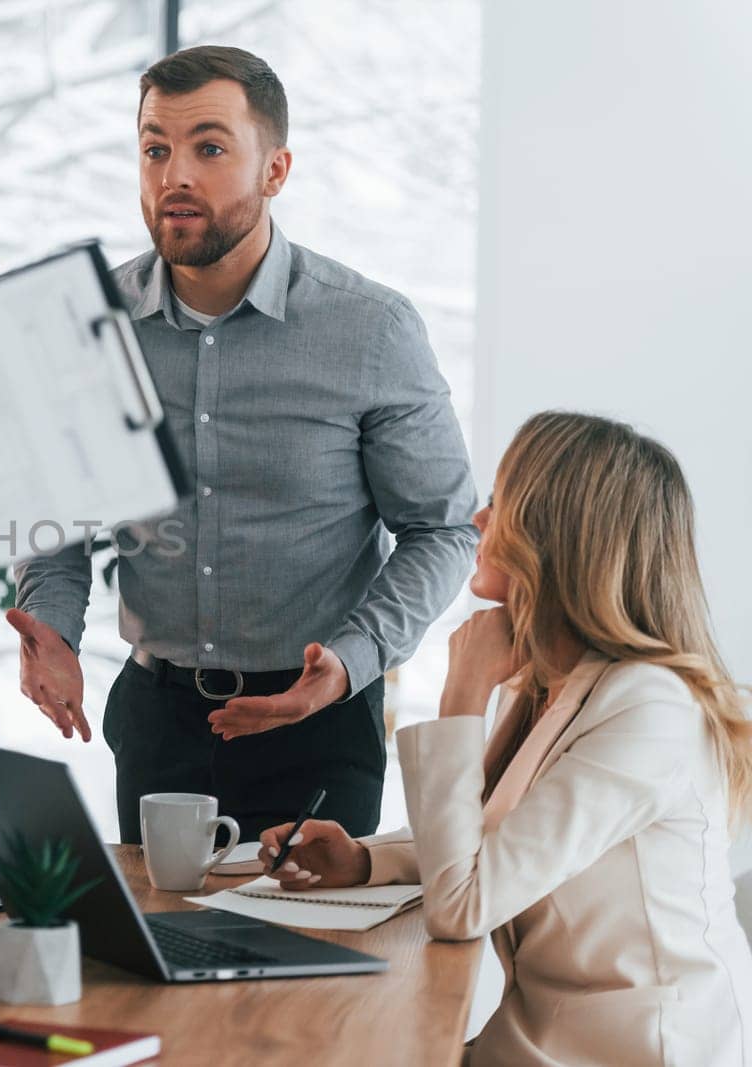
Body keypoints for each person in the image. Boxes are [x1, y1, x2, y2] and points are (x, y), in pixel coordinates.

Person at [8, 45, 476, 842]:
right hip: (156, 724)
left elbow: (443, 528)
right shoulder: (91, 326)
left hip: (315, 723)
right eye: (155, 148)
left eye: (209, 148)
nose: (174, 174)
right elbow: (55, 519)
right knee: (157, 960)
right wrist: (47, 623)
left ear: (275, 170)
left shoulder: (371, 330)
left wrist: (354, 660)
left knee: (311, 965)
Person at [258, 412, 752, 1066]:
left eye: (501, 501)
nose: (480, 521)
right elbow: (497, 834)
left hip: (635, 1053)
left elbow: (463, 903)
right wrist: (365, 859)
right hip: (544, 1038)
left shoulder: (649, 706)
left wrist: (462, 693)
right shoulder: (555, 681)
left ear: (561, 532)